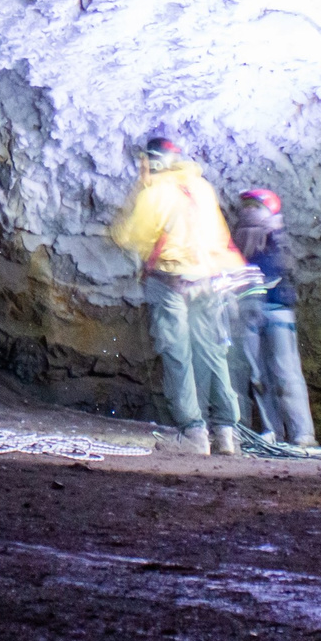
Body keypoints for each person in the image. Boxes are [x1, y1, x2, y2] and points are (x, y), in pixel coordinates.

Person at [111, 135, 248, 455]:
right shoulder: (201, 187)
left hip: (171, 280)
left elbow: (131, 236)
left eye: (144, 162)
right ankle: (226, 430)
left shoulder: (155, 194)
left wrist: (128, 210)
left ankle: (194, 433)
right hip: (210, 278)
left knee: (178, 354)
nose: (141, 167)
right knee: (212, 351)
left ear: (154, 162)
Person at [228, 188, 318, 446]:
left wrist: (254, 289)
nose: (248, 210)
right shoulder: (241, 237)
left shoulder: (277, 237)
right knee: (258, 376)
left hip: (276, 309)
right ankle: (273, 432)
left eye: (254, 206)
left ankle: (303, 434)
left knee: (286, 373)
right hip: (249, 310)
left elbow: (282, 270)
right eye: (246, 205)